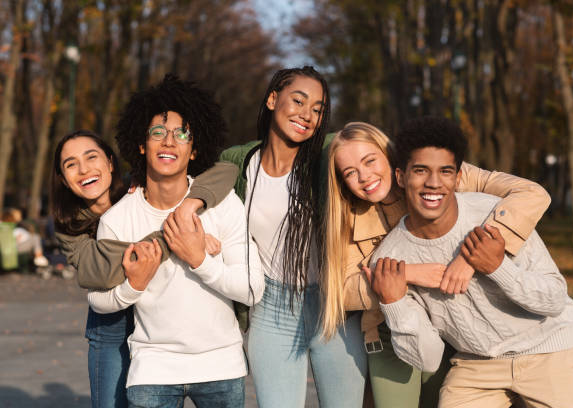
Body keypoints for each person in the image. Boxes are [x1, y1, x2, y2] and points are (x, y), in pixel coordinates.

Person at [322, 121, 553, 407]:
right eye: (350, 172)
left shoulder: (439, 173)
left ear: (389, 155)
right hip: (387, 327)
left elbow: (532, 195)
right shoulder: (345, 214)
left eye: (370, 161)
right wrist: (408, 273)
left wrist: (471, 257)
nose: (365, 177)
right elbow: (340, 290)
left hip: (451, 325)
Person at [367, 117, 573, 408]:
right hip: (477, 365)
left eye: (445, 172)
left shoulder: (494, 214)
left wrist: (498, 268)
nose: (433, 183)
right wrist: (394, 304)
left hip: (549, 350)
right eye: (420, 171)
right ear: (401, 177)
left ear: (458, 178)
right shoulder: (391, 258)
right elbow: (429, 358)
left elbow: (555, 299)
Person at [86, 74, 264, 408]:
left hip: (221, 368)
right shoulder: (117, 219)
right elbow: (98, 299)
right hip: (152, 371)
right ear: (142, 144)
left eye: (182, 134)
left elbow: (253, 289)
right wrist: (133, 286)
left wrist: (200, 259)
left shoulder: (224, 203)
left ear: (194, 149)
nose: (169, 141)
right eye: (158, 132)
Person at [51, 126, 238, 408]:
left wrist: (188, 207)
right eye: (71, 164)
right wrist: (180, 235)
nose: (83, 169)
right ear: (64, 180)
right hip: (111, 324)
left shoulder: (140, 186)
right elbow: (97, 271)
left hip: (159, 322)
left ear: (110, 163)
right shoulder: (68, 225)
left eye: (91, 157)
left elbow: (225, 172)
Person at [220, 66, 368, 407]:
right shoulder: (240, 162)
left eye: (318, 109)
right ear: (273, 99)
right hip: (272, 310)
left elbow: (370, 155)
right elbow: (200, 182)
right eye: (298, 101)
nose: (307, 114)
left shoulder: (326, 157)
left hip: (334, 308)